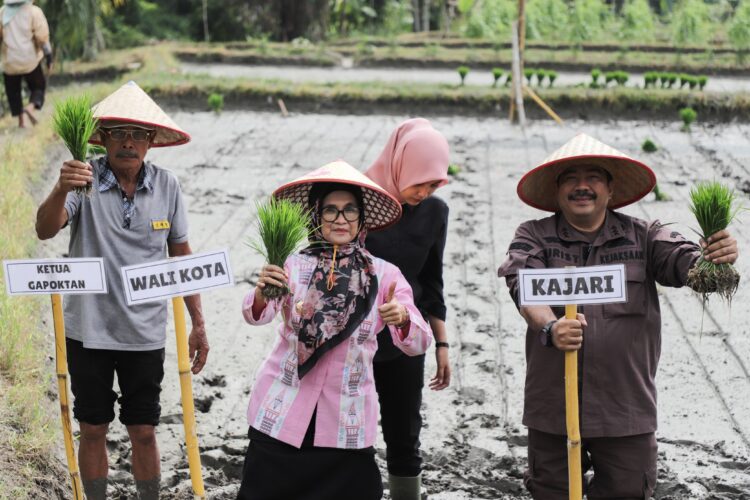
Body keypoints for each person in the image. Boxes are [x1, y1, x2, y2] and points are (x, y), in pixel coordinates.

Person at [497, 133, 739, 499]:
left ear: (610, 189)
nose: (582, 186)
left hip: (625, 407)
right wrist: (550, 327)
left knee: (628, 491)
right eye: (570, 178)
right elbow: (522, 285)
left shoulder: (644, 236)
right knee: (552, 492)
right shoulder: (533, 236)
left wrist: (713, 258)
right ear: (557, 190)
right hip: (554, 406)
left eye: (593, 177)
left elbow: (683, 261)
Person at [35, 81, 208, 500]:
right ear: (104, 138)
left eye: (136, 134)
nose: (127, 142)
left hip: (144, 332)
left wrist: (198, 322)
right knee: (93, 428)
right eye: (117, 133)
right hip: (88, 331)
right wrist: (61, 187)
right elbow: (44, 229)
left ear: (151, 141)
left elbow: (182, 256)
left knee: (144, 430)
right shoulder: (84, 179)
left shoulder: (167, 187)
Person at [237, 160, 433, 500]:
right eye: (330, 211)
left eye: (349, 211)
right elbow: (257, 316)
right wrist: (260, 293)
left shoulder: (383, 276)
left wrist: (402, 318)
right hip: (283, 411)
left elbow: (418, 343)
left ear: (361, 220)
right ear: (316, 216)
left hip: (346, 420)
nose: (340, 220)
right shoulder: (293, 266)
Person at [364, 118, 451, 500]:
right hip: (354, 339)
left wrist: (442, 345)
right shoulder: (358, 202)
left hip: (405, 336)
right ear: (402, 165)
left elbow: (431, 280)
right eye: (422, 181)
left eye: (435, 184)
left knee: (405, 429)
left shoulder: (435, 212)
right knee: (351, 429)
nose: (426, 191)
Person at [0, 0, 51, 127]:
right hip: (29, 59)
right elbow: (42, 36)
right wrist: (49, 56)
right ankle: (31, 107)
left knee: (13, 92)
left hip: (10, 60)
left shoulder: (2, 12)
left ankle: (21, 121)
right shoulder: (33, 11)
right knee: (38, 86)